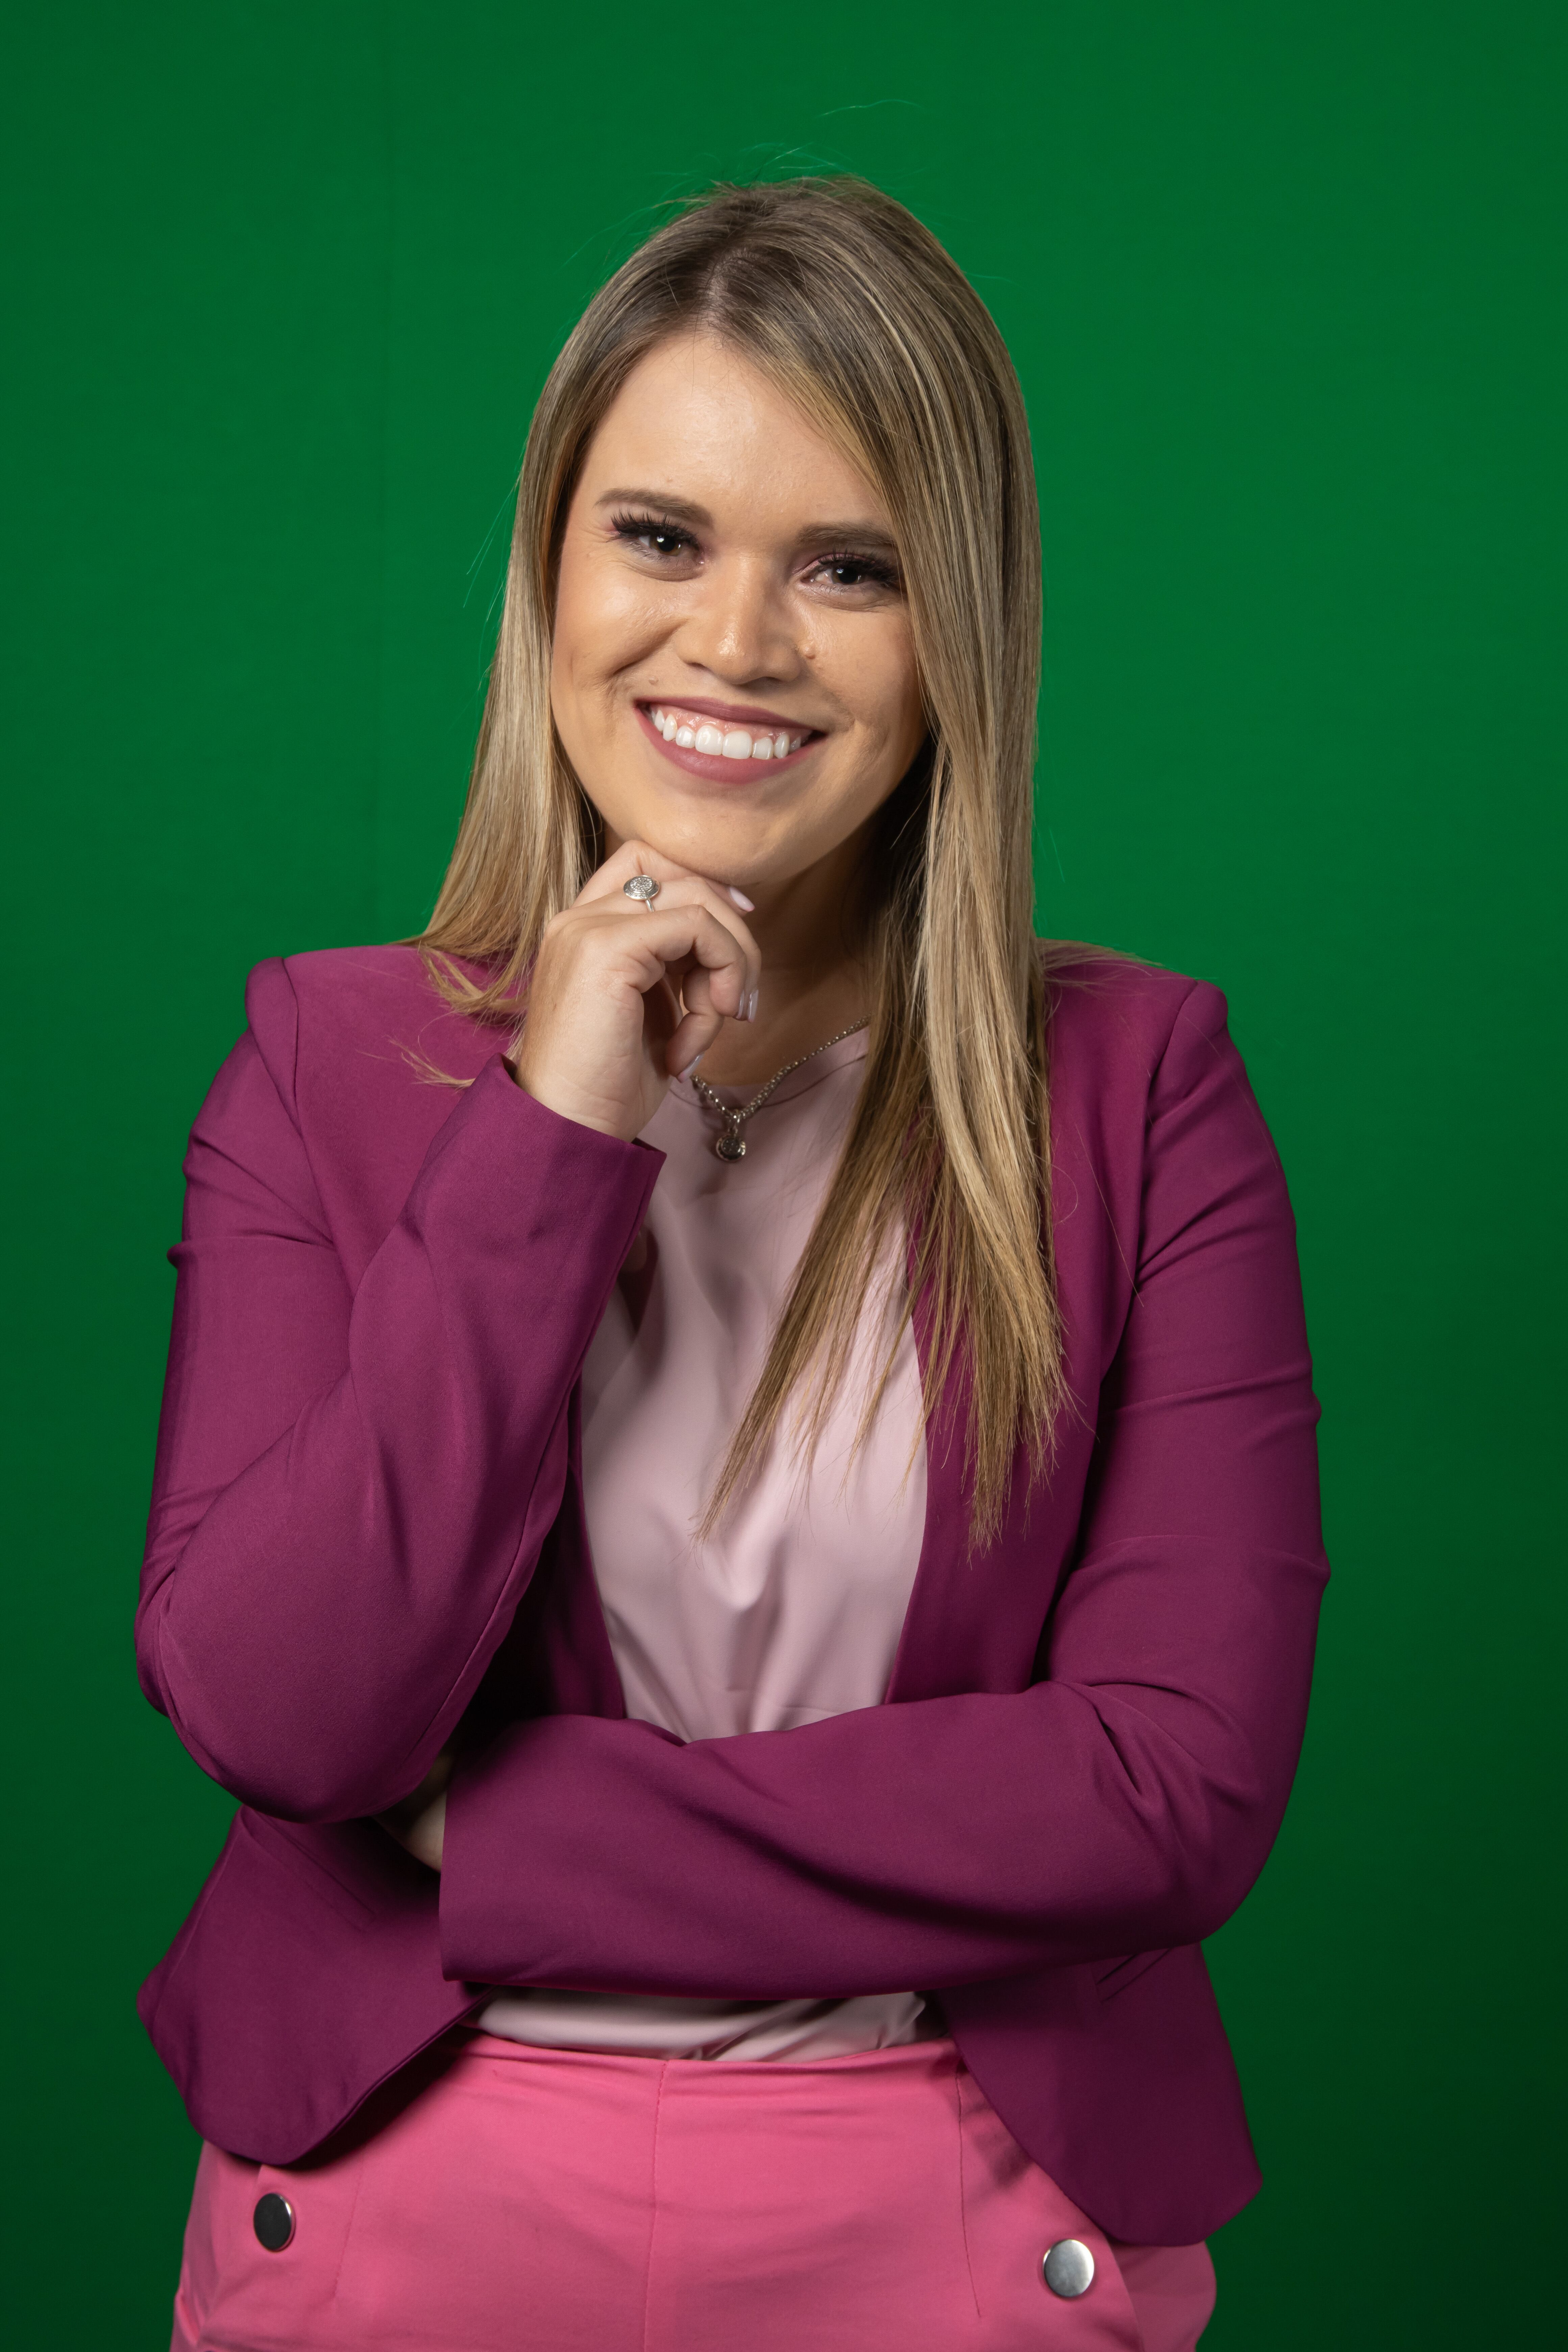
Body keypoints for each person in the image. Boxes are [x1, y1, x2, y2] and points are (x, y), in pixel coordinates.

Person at [138, 176, 1326, 2351]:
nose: (740, 645)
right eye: (662, 537)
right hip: (408, 2201)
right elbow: (288, 1714)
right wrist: (558, 1125)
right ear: (554, 571)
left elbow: (1168, 1794)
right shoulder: (320, 1062)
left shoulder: (1142, 1089)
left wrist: (502, 1841)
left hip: (960, 2220)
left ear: (959, 628)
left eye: (848, 568)